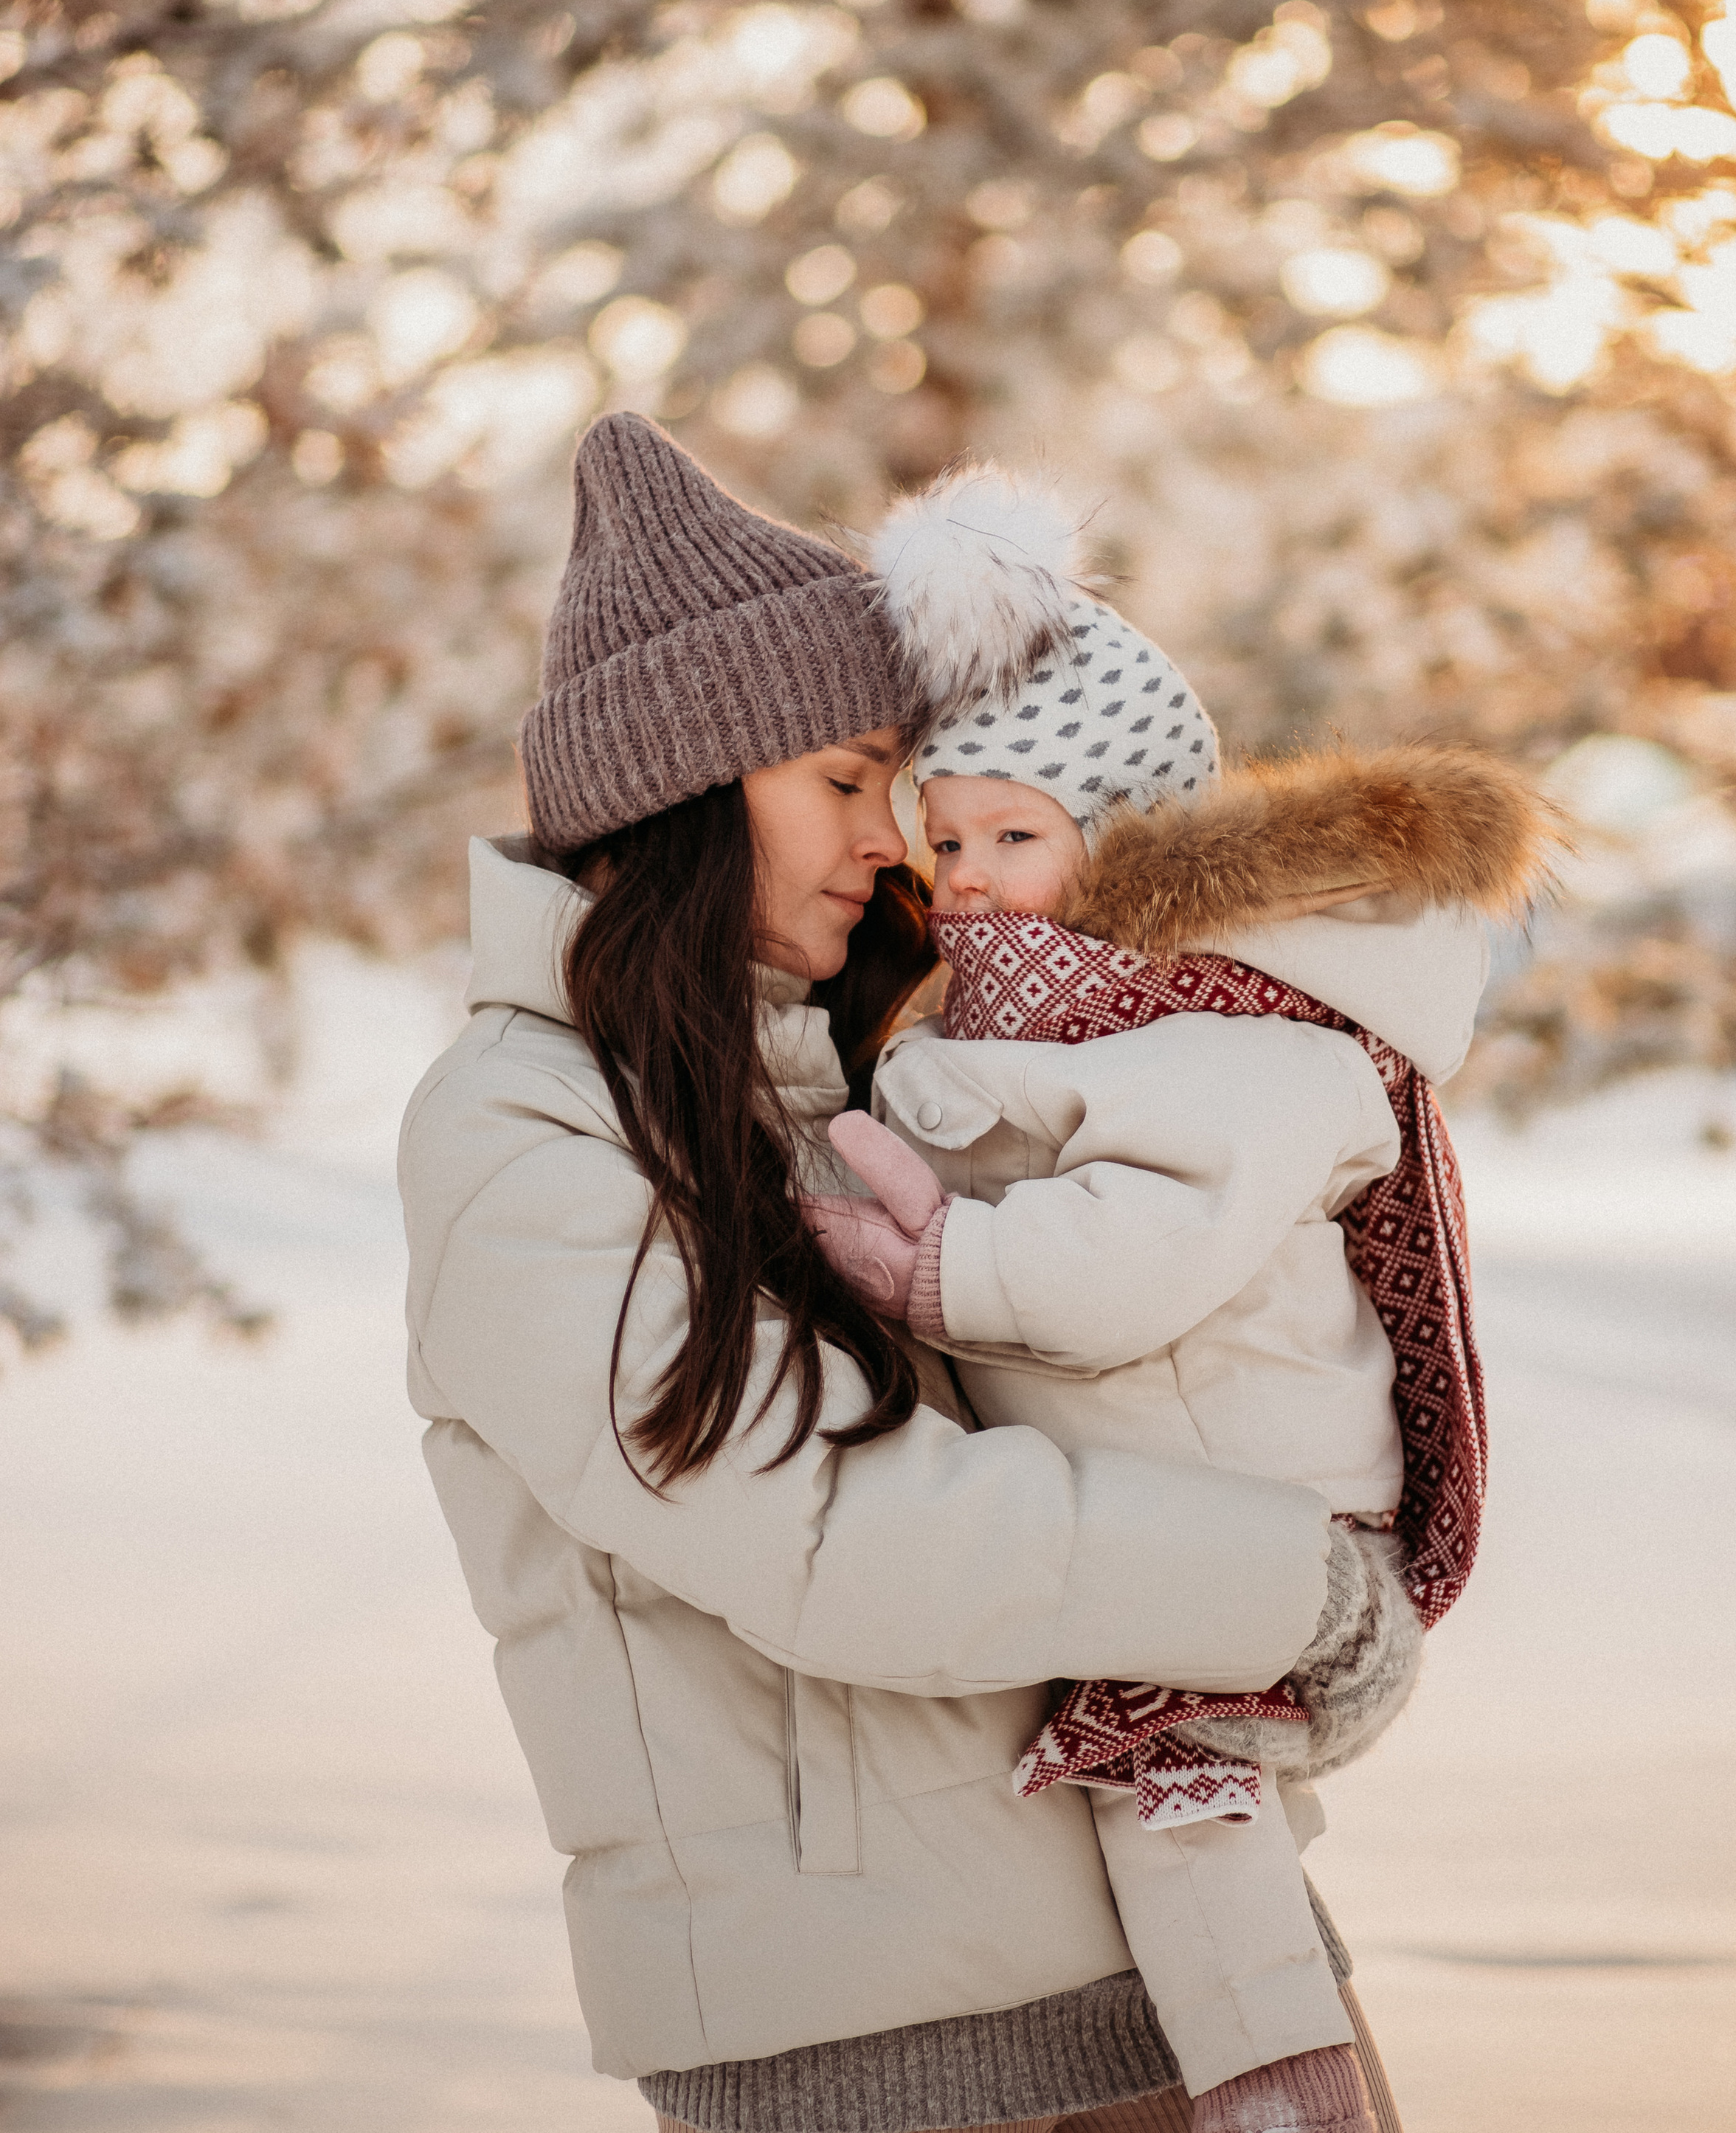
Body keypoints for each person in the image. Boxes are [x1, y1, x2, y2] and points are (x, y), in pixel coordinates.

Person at [400, 412, 1419, 2133]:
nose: (894, 843)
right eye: (847, 783)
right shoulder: (519, 1140)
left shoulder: (833, 1075)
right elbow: (841, 1540)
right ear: (689, 785)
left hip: (1178, 1957)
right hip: (890, 2052)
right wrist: (1289, 1587)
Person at [806, 468, 1554, 2133]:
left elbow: (1131, 1262)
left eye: (1013, 837)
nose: (972, 877)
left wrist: (944, 1267)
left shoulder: (1236, 1044)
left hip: (1264, 1509)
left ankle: (1278, 2096)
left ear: (1120, 839)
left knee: (1185, 1805)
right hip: (1170, 1502)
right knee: (1173, 1817)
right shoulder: (1030, 1030)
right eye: (947, 840)